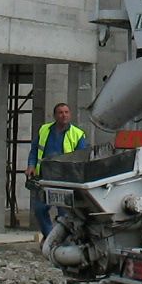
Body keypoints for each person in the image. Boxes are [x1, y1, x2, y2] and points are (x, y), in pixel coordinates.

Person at [26, 101, 88, 237]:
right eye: (60, 113)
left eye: (66, 112)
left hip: (65, 180)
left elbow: (82, 158)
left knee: (64, 214)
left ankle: (64, 242)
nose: (63, 115)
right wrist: (31, 165)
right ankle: (49, 238)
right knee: (40, 209)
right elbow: (35, 150)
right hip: (45, 177)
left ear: (70, 115)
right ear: (55, 115)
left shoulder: (77, 134)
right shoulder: (44, 130)